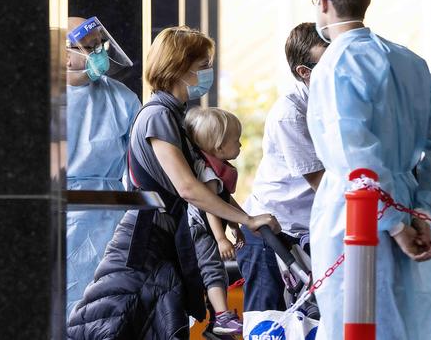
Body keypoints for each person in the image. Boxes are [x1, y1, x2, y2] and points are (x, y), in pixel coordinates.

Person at [67, 26, 280, 340]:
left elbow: (207, 183)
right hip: (143, 240)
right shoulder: (158, 116)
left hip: (162, 239)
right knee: (107, 325)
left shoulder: (176, 116)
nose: (207, 71)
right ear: (180, 69)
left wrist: (235, 220)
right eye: (202, 65)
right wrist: (245, 218)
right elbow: (188, 188)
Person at [307, 0, 431, 339]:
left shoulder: (334, 65)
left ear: (323, 1)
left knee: (357, 323)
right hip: (409, 207)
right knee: (408, 326)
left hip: (355, 218)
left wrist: (393, 225)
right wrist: (424, 212)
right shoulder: (410, 62)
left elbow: (352, 156)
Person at [237, 22, 327, 312]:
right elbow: (323, 184)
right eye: (330, 63)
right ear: (305, 72)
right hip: (271, 229)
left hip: (306, 230)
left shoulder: (336, 104)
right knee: (268, 321)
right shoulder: (290, 114)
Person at [65, 16, 141, 315]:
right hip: (54, 209)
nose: (97, 53)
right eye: (88, 47)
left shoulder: (122, 98)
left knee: (102, 306)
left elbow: (139, 168)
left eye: (99, 45)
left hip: (107, 217)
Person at [183, 107, 247, 335]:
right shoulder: (208, 172)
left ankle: (216, 321)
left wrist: (237, 226)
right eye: (236, 140)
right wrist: (221, 238)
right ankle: (222, 316)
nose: (240, 145)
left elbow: (225, 200)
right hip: (201, 229)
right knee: (213, 270)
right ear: (218, 147)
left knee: (216, 270)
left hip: (210, 228)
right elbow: (211, 206)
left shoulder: (217, 170)